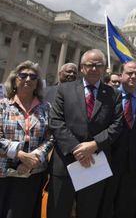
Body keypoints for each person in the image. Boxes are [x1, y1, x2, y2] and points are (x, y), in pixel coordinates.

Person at [47, 49, 123, 218]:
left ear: (104, 69)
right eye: (90, 65)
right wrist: (77, 148)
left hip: (95, 163)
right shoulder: (64, 90)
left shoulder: (113, 95)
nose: (94, 68)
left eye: (99, 65)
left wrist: (94, 145)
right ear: (82, 67)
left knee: (88, 211)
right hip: (66, 162)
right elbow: (56, 121)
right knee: (57, 210)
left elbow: (117, 126)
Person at [0, 61, 53, 218]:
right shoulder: (2, 105)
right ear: (14, 80)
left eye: (33, 76)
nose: (28, 79)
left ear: (37, 83)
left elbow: (50, 137)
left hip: (31, 175)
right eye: (23, 75)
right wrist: (20, 155)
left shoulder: (46, 108)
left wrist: (34, 158)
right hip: (3, 173)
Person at [100, 61, 136, 218]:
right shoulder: (108, 96)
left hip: (132, 165)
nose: (133, 76)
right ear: (121, 75)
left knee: (126, 207)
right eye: (129, 73)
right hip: (108, 160)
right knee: (104, 206)